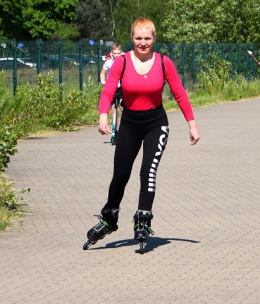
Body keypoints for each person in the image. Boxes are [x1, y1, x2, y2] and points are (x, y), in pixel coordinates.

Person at [84, 18, 201, 251]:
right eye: (138, 38)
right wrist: (102, 116)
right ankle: (109, 217)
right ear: (132, 39)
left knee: (148, 172)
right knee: (120, 175)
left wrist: (192, 124)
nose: (143, 43)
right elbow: (108, 90)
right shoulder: (122, 62)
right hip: (129, 123)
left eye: (147, 38)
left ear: (154, 39)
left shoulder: (164, 62)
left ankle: (143, 219)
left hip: (155, 124)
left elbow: (179, 93)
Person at [100, 43, 123, 145]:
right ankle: (115, 132)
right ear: (111, 53)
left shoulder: (124, 60)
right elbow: (102, 73)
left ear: (121, 52)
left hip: (123, 87)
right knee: (115, 109)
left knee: (123, 108)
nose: (117, 55)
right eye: (115, 53)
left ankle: (124, 131)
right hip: (113, 87)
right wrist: (103, 81)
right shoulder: (108, 62)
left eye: (118, 53)